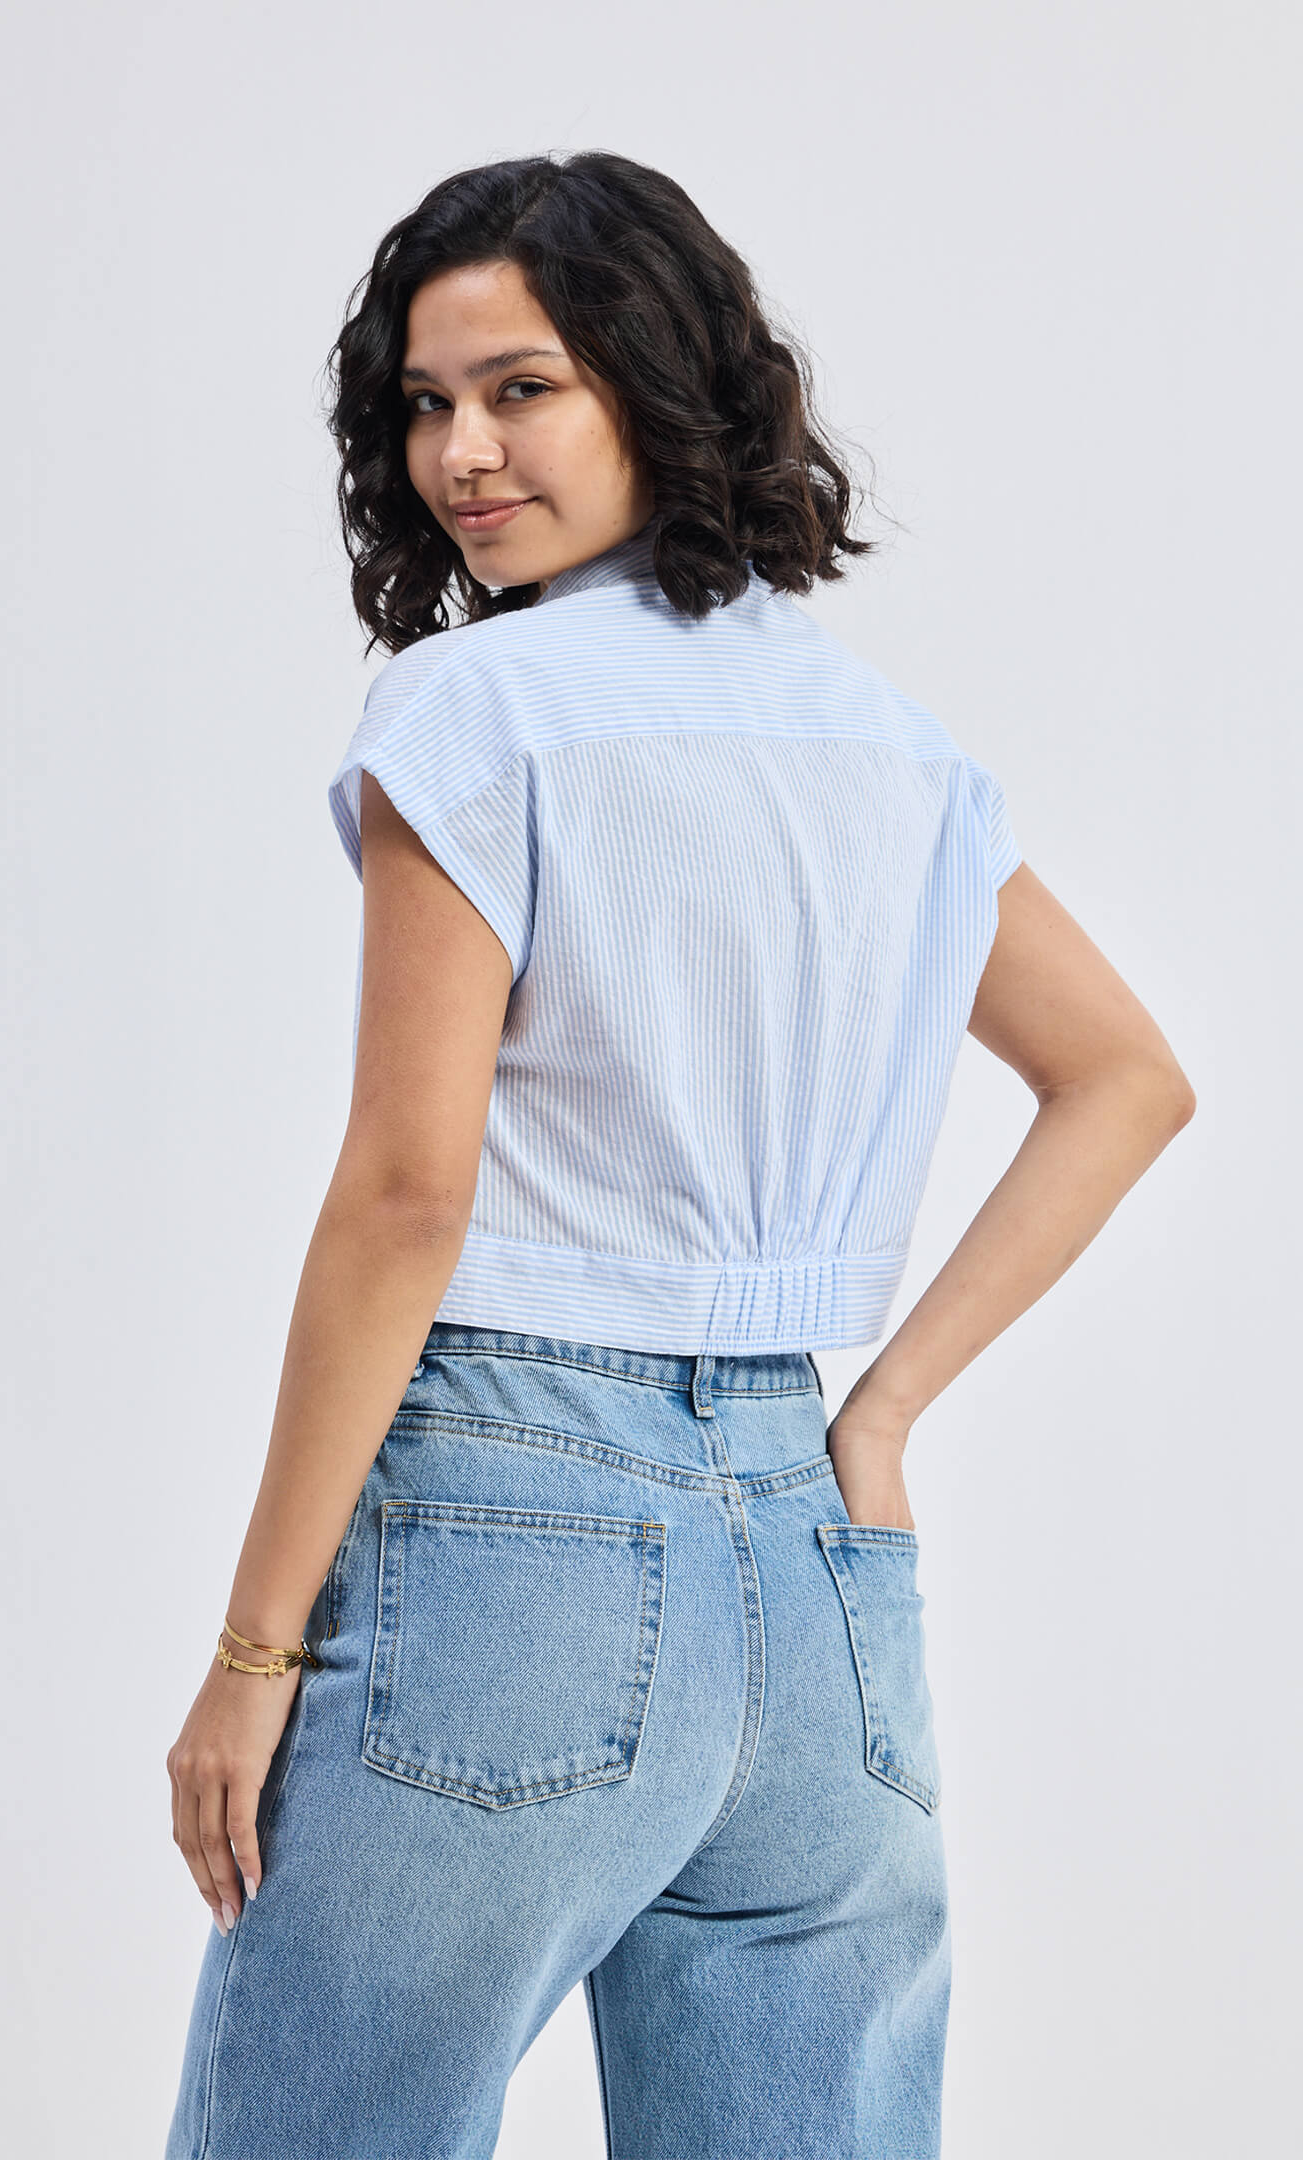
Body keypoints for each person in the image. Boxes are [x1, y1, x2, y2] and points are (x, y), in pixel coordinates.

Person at [162, 152, 1195, 2160]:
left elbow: (405, 1200)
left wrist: (253, 1649)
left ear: (658, 381)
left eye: (523, 387)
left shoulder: (479, 717)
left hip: (509, 1546)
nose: (462, 450)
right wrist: (876, 1419)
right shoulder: (892, 747)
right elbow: (1129, 1077)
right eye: (424, 402)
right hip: (817, 1581)